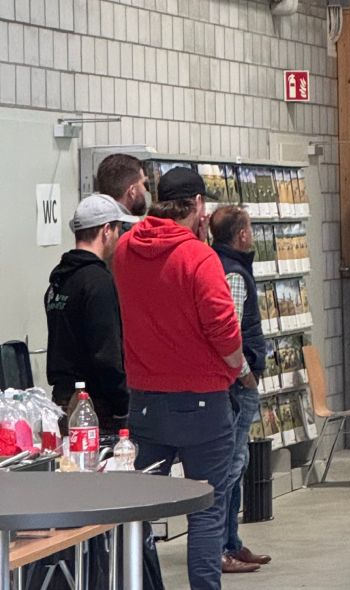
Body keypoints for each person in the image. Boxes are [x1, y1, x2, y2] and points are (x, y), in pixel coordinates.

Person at [113, 167, 253, 590]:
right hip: (203, 404)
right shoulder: (198, 257)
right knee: (207, 510)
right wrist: (235, 369)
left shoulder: (122, 251)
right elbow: (225, 330)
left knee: (135, 511)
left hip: (145, 401)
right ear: (196, 205)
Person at [210, 206, 272, 574]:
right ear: (242, 236)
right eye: (249, 228)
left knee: (238, 463)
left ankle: (232, 542)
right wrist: (245, 374)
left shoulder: (224, 264)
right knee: (230, 468)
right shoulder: (233, 272)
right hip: (236, 385)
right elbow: (228, 332)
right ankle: (220, 548)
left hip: (233, 384)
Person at [44, 194, 138, 433]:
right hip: (95, 407)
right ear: (106, 230)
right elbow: (106, 354)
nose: (118, 238)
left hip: (63, 400)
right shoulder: (98, 282)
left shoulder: (59, 280)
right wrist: (122, 404)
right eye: (117, 230)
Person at [95, 153, 150, 222]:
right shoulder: (132, 231)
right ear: (132, 191)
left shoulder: (96, 225)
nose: (145, 189)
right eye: (143, 184)